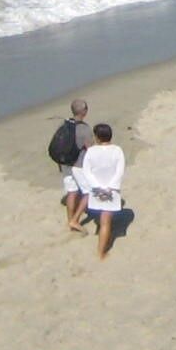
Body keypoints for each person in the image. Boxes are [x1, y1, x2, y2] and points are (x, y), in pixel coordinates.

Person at [75, 123, 125, 261]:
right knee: (106, 221)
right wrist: (108, 187)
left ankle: (101, 250)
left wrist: (97, 186)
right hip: (111, 190)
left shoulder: (91, 151)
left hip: (97, 190)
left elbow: (87, 171)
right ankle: (101, 252)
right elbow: (119, 172)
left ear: (97, 137)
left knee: (103, 221)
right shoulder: (117, 150)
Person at [57, 98, 94, 232]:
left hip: (65, 163)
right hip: (78, 164)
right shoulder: (84, 129)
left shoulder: (65, 125)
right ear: (84, 112)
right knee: (89, 192)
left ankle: (70, 219)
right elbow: (90, 148)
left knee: (71, 192)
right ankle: (75, 220)